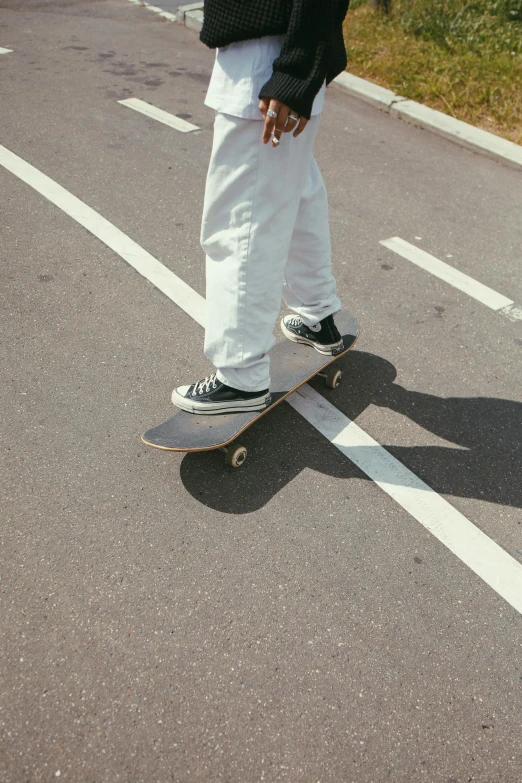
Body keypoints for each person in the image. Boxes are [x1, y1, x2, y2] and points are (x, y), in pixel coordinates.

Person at [172, 0, 351, 415]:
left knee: (240, 221)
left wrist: (292, 72)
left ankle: (241, 376)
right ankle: (317, 314)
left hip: (270, 63)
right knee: (296, 191)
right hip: (284, 53)